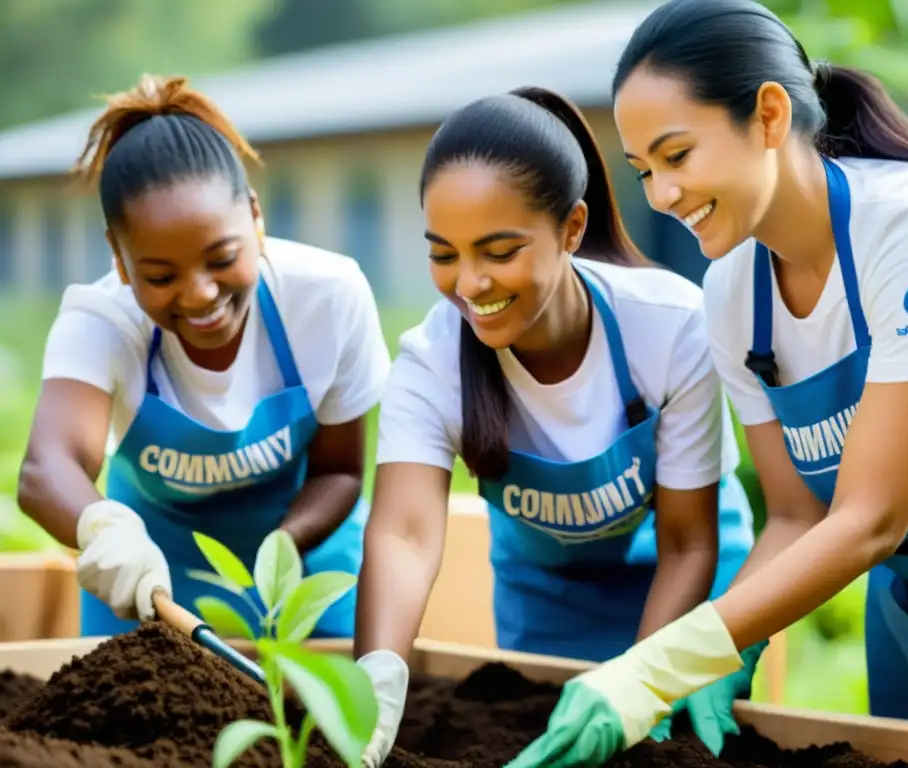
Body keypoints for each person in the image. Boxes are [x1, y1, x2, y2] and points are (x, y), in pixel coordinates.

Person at [505, 0, 908, 765]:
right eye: (643, 170)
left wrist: (661, 662)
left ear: (770, 114)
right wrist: (730, 641)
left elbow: (871, 515)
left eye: (678, 156)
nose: (660, 196)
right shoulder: (732, 293)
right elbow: (795, 514)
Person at [352, 84, 763, 768]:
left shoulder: (667, 326)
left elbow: (690, 544)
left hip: (687, 586)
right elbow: (404, 531)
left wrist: (645, 683)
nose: (470, 284)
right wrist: (379, 677)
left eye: (499, 251)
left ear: (572, 229)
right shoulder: (431, 363)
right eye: (444, 254)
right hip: (549, 599)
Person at [17, 74, 391, 639]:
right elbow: (47, 469)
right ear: (120, 260)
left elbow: (340, 470)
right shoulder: (101, 321)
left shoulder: (327, 298)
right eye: (160, 275)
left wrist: (280, 552)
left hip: (301, 557)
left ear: (256, 216)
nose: (199, 294)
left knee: (320, 721)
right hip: (155, 571)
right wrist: (103, 530)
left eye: (221, 258)